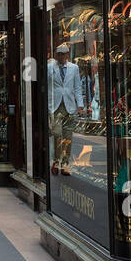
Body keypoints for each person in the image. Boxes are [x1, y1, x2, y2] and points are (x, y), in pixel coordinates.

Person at [48, 44, 83, 176]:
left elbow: (77, 87)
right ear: (56, 55)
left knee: (68, 136)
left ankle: (65, 163)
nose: (61, 57)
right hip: (55, 106)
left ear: (67, 55)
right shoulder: (50, 67)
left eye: (63, 54)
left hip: (69, 106)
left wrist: (80, 105)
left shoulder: (74, 68)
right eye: (59, 54)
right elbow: (47, 86)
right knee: (57, 134)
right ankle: (56, 161)